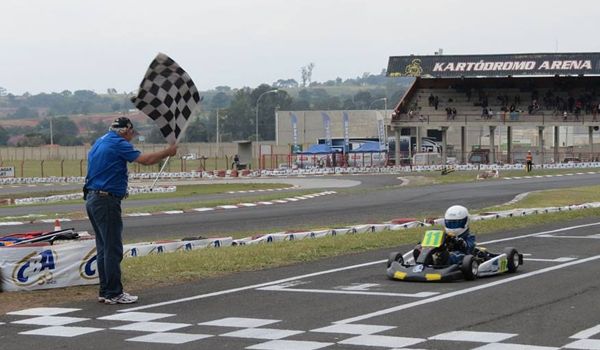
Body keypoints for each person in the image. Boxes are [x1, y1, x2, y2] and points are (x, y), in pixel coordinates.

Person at [85, 117, 177, 304]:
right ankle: (114, 292)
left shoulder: (101, 141)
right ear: (126, 130)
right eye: (131, 134)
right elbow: (145, 160)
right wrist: (168, 151)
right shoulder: (118, 143)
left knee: (104, 248)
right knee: (113, 249)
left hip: (93, 197)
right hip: (106, 200)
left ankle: (105, 291)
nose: (131, 138)